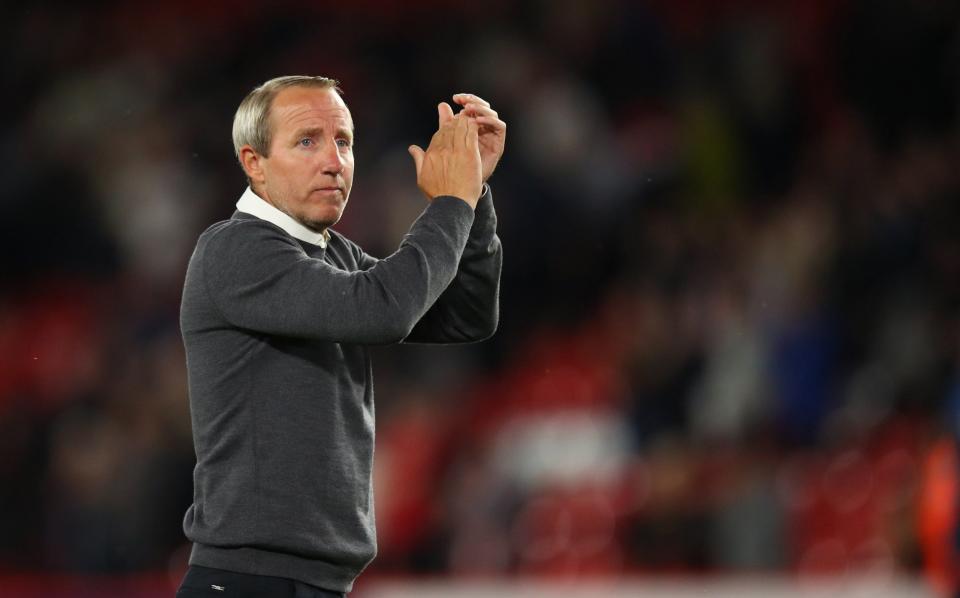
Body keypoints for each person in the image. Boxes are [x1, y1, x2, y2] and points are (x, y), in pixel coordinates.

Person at [176, 75, 504, 597]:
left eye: (344, 141)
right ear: (253, 162)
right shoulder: (236, 250)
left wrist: (474, 192)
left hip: (309, 582)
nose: (334, 160)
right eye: (307, 141)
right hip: (251, 581)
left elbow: (465, 315)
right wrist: (449, 203)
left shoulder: (332, 255)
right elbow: (383, 311)